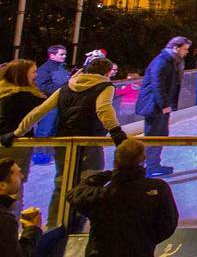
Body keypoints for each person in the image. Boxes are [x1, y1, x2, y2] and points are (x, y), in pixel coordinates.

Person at [2, 57, 127, 230]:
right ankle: (83, 227)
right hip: (89, 142)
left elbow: (39, 111)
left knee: (62, 183)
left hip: (64, 141)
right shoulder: (105, 86)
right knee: (90, 184)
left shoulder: (67, 86)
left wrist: (16, 133)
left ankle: (55, 225)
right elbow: (103, 108)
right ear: (107, 73)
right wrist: (116, 132)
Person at [68, 138, 178, 256]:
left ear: (116, 163)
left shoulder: (100, 195)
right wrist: (146, 240)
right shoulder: (159, 188)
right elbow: (168, 223)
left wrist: (106, 175)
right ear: (143, 161)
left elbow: (74, 194)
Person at [136, 36, 191, 178]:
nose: (187, 52)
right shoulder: (162, 61)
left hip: (159, 105)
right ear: (176, 48)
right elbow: (157, 84)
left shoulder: (172, 61)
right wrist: (164, 105)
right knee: (152, 137)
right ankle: (142, 168)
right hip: (153, 105)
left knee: (160, 135)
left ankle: (153, 165)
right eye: (185, 49)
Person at [0, 60, 45, 218]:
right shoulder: (24, 96)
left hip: (7, 141)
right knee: (14, 187)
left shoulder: (3, 91)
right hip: (14, 144)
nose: (36, 75)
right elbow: (47, 106)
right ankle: (10, 224)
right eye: (33, 72)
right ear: (22, 75)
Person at [33, 45, 70, 166]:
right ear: (52, 55)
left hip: (61, 102)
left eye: (65, 54)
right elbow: (42, 86)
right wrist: (62, 89)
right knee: (45, 129)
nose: (64, 56)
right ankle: (39, 154)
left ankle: (50, 153)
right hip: (49, 104)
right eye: (61, 54)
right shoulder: (44, 69)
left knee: (55, 129)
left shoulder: (63, 67)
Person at [0, 158, 40, 256]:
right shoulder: (5, 220)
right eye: (18, 174)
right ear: (2, 185)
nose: (22, 176)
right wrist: (32, 228)